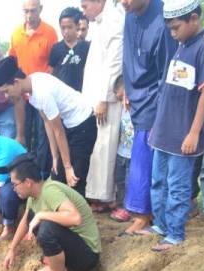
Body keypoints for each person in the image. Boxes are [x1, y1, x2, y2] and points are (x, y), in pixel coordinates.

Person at [145, 0, 204, 251]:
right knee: (158, 181)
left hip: (182, 135)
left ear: (194, 19)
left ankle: (175, 234)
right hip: (164, 131)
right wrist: (156, 125)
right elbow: (169, 90)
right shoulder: (181, 44)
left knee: (177, 186)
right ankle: (161, 225)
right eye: (170, 29)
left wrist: (195, 133)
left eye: (176, 28)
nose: (173, 34)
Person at [0, 56, 97, 198]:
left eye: (6, 91)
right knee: (57, 175)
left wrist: (67, 166)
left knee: (74, 178)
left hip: (83, 123)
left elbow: (58, 131)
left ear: (16, 82)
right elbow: (47, 122)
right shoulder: (32, 87)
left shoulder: (41, 93)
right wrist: (55, 157)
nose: (6, 96)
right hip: (69, 125)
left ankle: (79, 216)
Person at [4, 155, 101, 271]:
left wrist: (42, 215)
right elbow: (25, 221)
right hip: (73, 249)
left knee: (47, 228)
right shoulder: (33, 196)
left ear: (28, 182)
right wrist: (12, 249)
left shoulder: (50, 191)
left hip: (87, 256)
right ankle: (58, 266)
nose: (13, 188)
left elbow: (75, 218)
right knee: (33, 217)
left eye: (15, 184)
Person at [120, 0, 178, 234]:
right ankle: (143, 212)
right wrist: (126, 86)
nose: (123, 2)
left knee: (145, 159)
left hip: (155, 99)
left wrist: (162, 110)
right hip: (135, 95)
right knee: (141, 157)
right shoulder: (129, 14)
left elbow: (167, 71)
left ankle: (144, 214)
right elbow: (128, 56)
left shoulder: (163, 21)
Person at [81, 0, 125, 212]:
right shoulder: (100, 22)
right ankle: (98, 196)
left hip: (106, 100)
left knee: (106, 146)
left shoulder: (114, 18)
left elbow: (115, 62)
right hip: (95, 97)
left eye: (85, 5)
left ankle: (106, 197)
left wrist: (104, 98)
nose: (83, 10)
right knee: (98, 147)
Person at [9, 0, 58, 179]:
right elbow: (12, 62)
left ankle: (42, 175)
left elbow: (54, 65)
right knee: (22, 134)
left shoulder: (50, 33)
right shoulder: (16, 34)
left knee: (43, 135)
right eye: (26, 11)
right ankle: (22, 175)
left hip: (42, 94)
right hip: (22, 96)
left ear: (40, 10)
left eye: (33, 11)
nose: (29, 16)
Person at [49, 7, 90, 92]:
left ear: (77, 26)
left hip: (80, 94)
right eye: (63, 28)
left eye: (69, 27)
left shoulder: (86, 47)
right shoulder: (56, 48)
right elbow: (51, 73)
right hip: (61, 95)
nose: (66, 31)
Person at [110, 76, 133, 223]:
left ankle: (128, 208)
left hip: (132, 154)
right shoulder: (122, 109)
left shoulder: (138, 108)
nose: (121, 100)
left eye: (121, 96)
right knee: (119, 179)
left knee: (129, 181)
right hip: (121, 151)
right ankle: (120, 204)